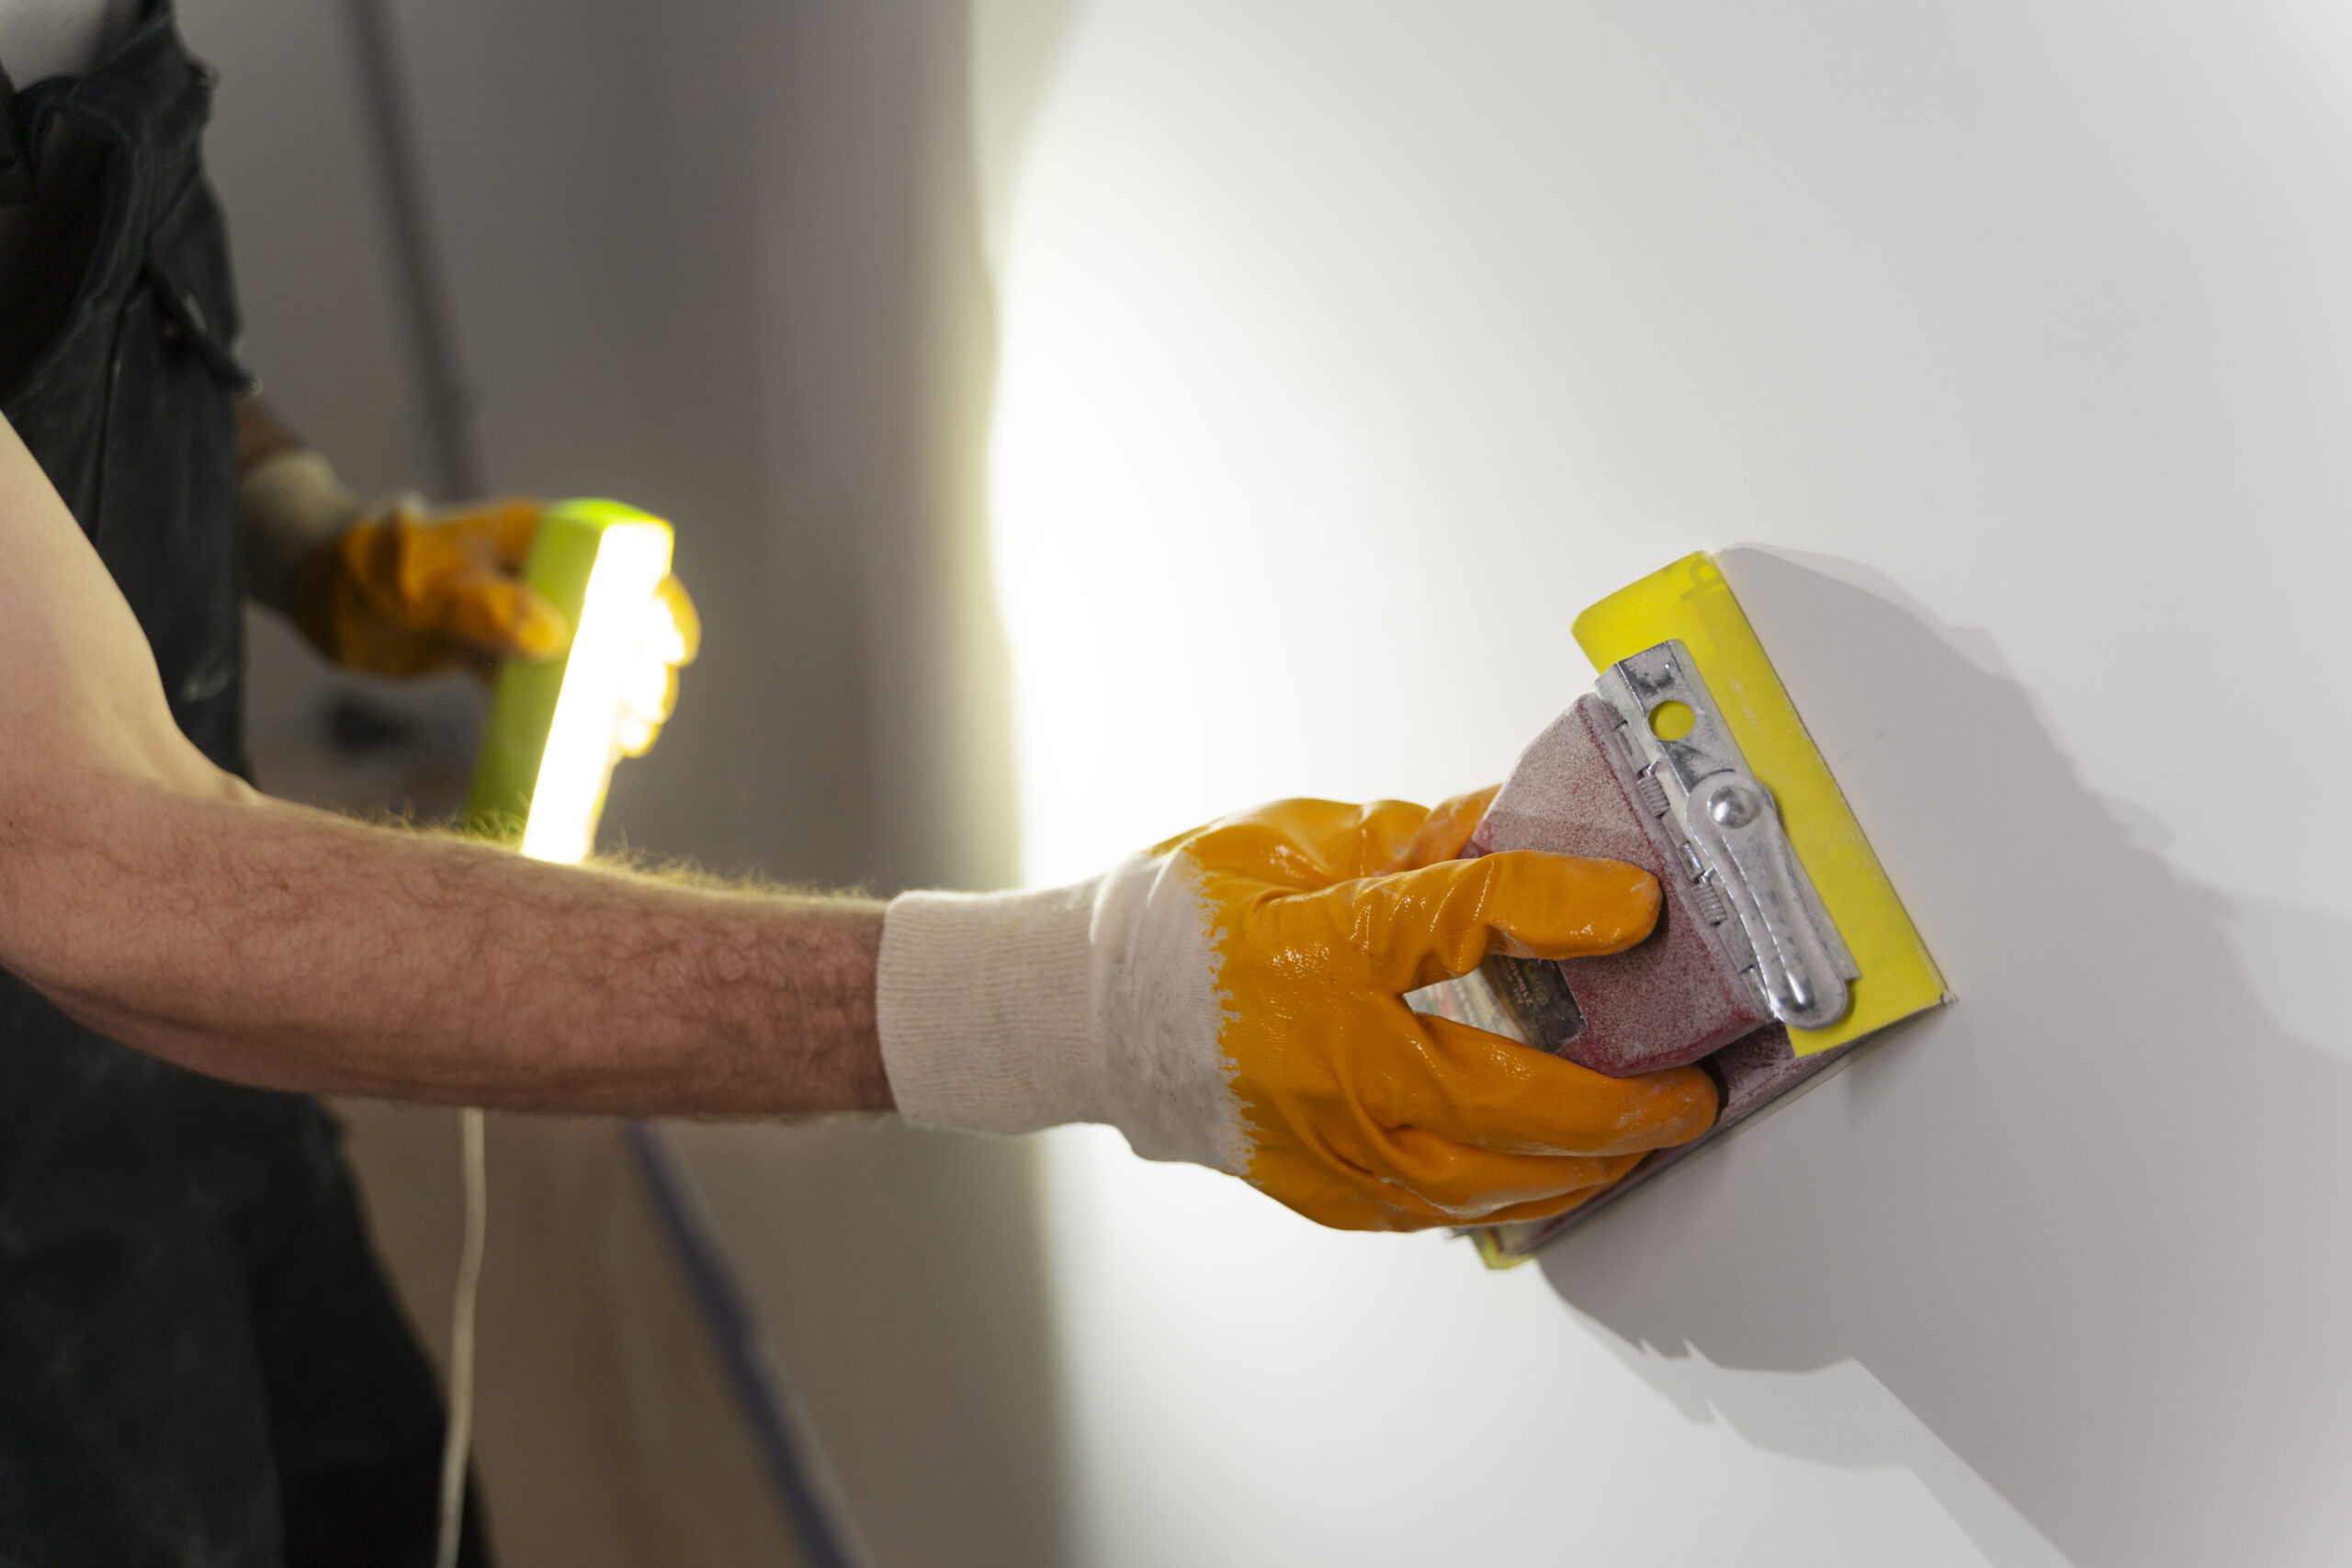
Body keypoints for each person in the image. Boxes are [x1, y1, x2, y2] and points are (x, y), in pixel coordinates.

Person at [0, 2, 1719, 1563]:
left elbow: (84, 281)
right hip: (35, 1173)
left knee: (373, 1496)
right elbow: (98, 867)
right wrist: (1099, 1007)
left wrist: (317, 541)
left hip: (197, 1100)